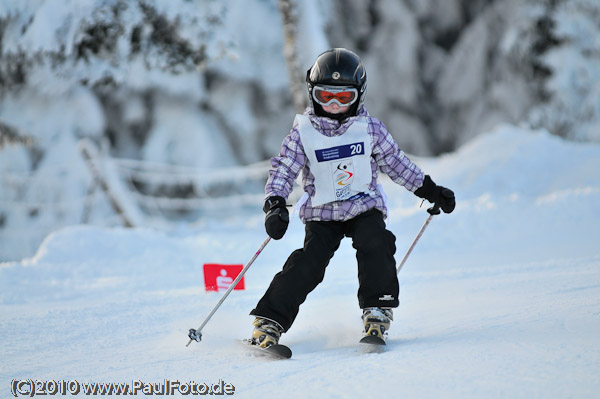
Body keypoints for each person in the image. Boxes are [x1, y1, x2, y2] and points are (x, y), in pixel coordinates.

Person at [249, 48, 455, 348]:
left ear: (358, 95)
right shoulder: (303, 133)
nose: (333, 105)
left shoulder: (369, 129)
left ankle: (377, 309)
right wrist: (275, 203)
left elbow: (396, 163)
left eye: (343, 97)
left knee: (376, 242)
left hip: (363, 206)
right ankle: (269, 321)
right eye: (325, 96)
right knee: (308, 264)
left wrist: (429, 189)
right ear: (312, 94)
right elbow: (284, 168)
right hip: (322, 213)